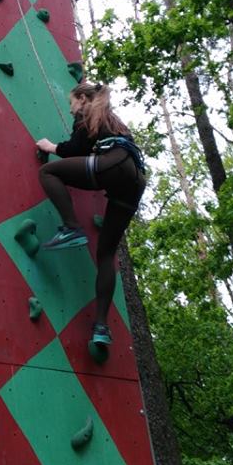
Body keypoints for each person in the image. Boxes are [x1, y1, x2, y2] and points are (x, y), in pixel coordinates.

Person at [36, 81, 146, 348]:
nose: (71, 108)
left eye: (72, 102)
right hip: (134, 179)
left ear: (83, 99)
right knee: (106, 254)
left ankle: (71, 227)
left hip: (114, 165)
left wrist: (49, 146)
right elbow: (86, 149)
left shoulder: (89, 112)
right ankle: (101, 326)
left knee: (47, 173)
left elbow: (76, 150)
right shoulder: (111, 118)